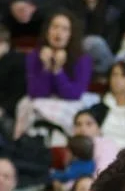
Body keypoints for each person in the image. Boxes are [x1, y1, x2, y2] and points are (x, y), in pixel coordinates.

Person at [17, 10, 94, 139]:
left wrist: (57, 70)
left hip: (69, 104)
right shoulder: (35, 56)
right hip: (42, 105)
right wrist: (46, 66)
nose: (58, 33)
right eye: (55, 27)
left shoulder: (83, 59)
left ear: (71, 34)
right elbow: (36, 93)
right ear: (47, 31)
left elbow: (74, 94)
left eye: (64, 29)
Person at [67, 0, 119, 75]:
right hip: (77, 59)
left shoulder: (111, 10)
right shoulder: (70, 9)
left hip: (105, 61)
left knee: (94, 42)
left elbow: (112, 44)